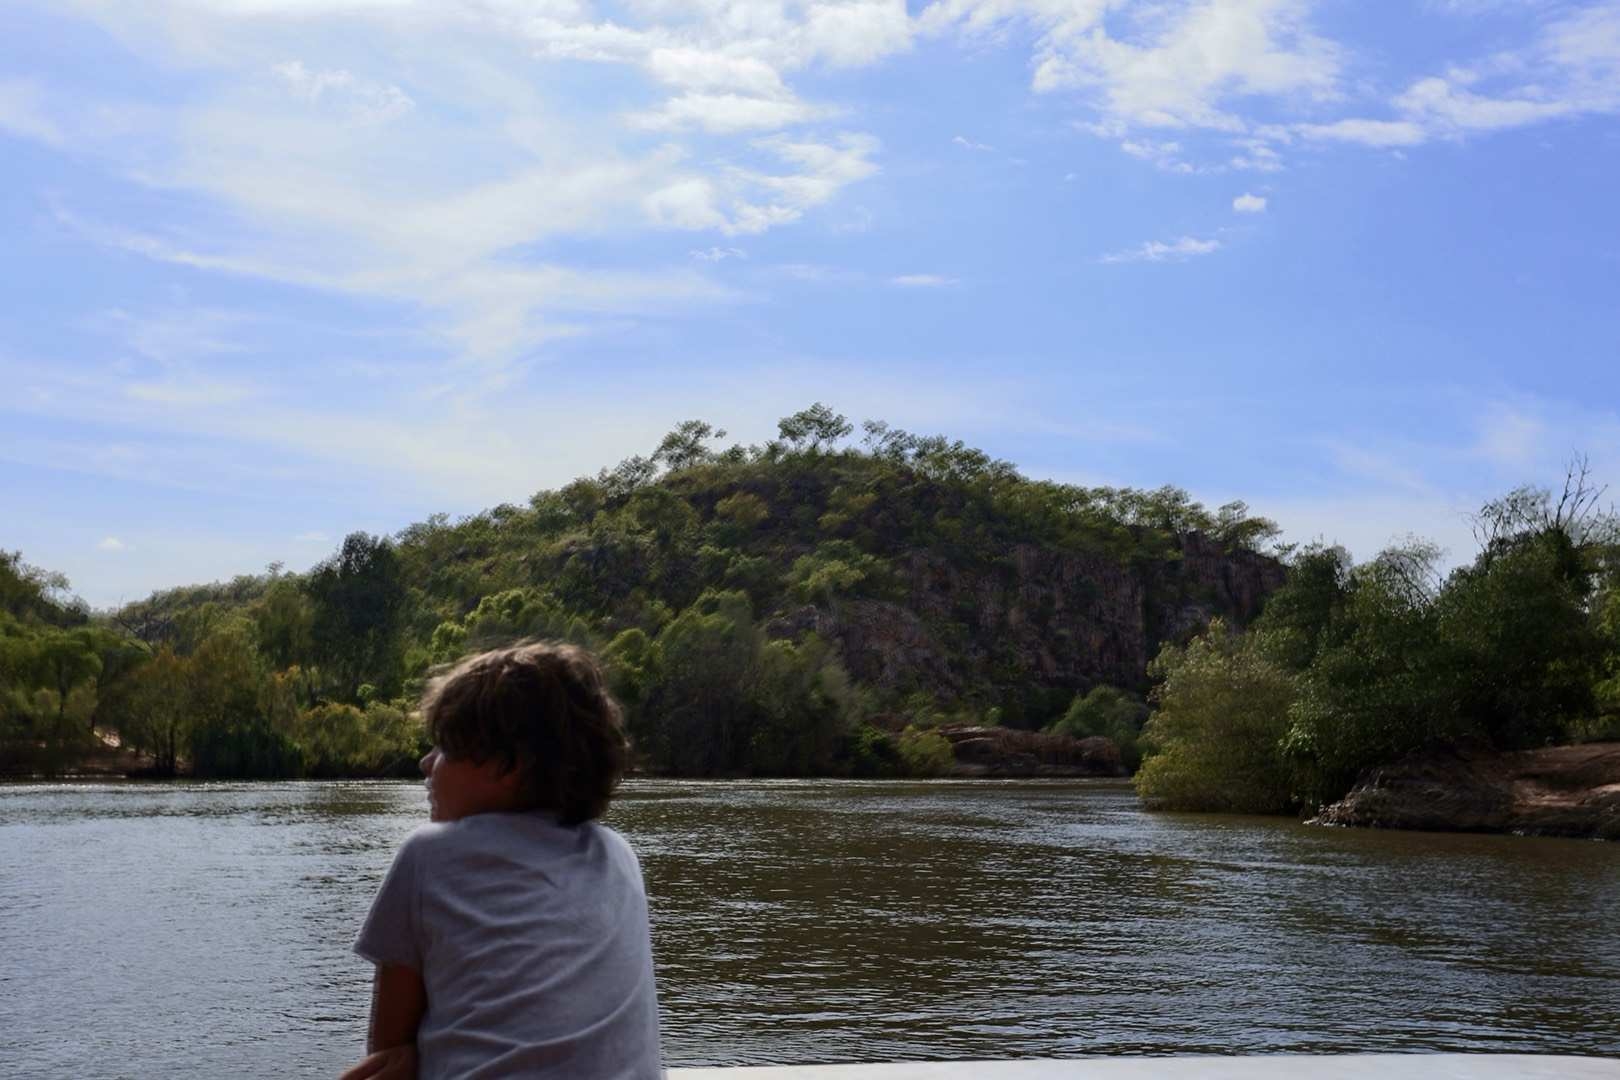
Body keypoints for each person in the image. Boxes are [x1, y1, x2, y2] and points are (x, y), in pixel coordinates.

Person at [339, 642, 663, 1080]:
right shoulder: (618, 855)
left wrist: (419, 1056)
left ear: (511, 766)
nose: (425, 762)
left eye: (445, 747)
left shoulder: (428, 854)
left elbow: (386, 1057)